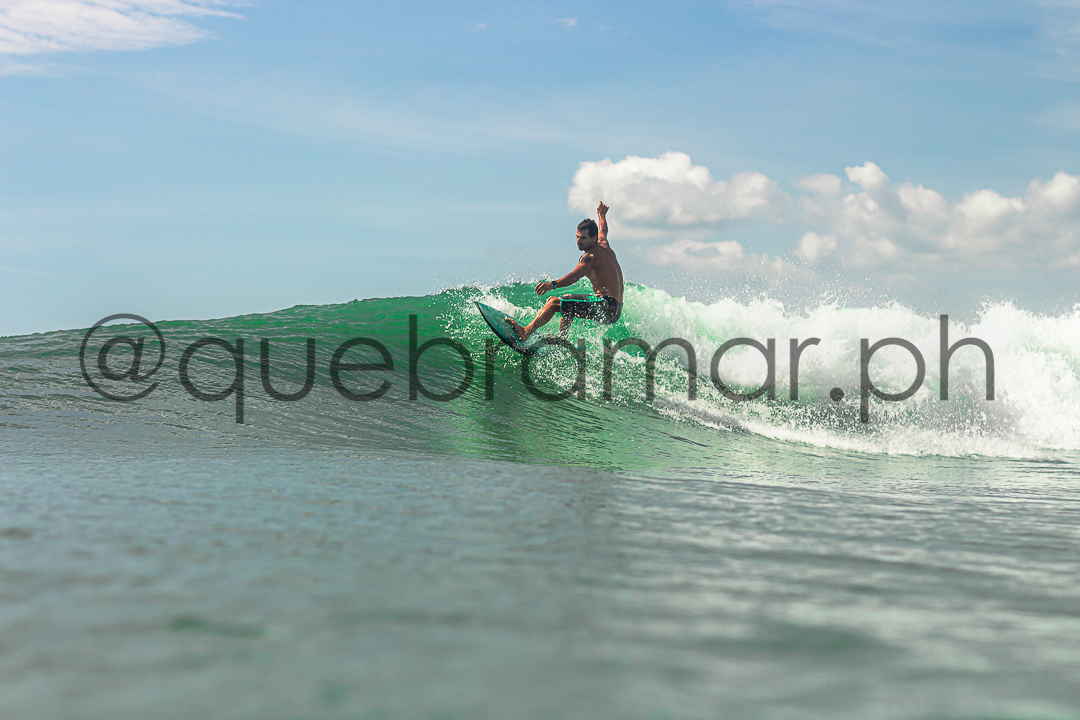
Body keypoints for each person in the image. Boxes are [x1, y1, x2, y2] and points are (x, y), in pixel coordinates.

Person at [507, 201, 625, 342]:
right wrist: (601, 215)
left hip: (604, 305)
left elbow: (574, 276)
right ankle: (561, 339)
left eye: (583, 238)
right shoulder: (603, 243)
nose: (578, 241)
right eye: (577, 236)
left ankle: (526, 332)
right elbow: (603, 229)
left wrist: (552, 285)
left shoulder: (589, 257)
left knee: (553, 303)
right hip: (615, 308)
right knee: (566, 299)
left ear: (593, 238)